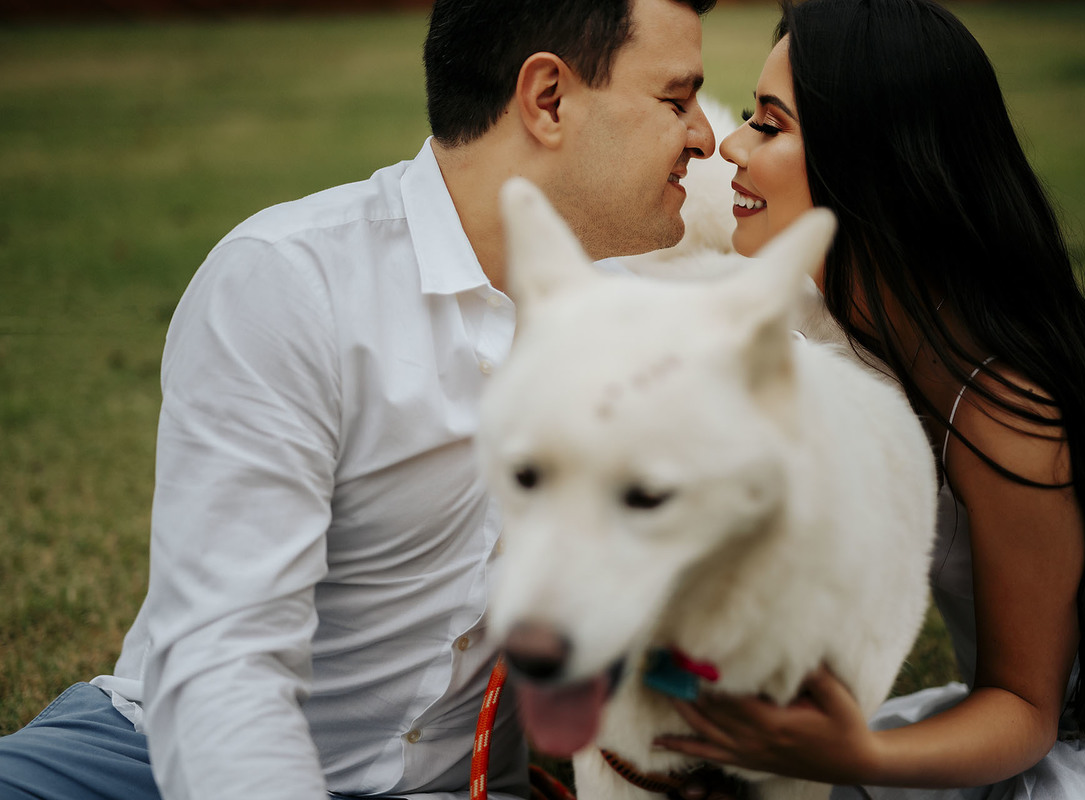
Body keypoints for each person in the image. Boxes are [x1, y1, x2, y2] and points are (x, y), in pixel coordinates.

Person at [0, 1, 715, 798]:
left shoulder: (650, 332)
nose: (704, 138)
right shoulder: (289, 284)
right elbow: (224, 661)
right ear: (546, 99)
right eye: (676, 101)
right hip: (157, 766)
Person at [655, 0, 1085, 797]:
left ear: (871, 165)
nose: (733, 145)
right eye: (748, 118)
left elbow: (1021, 706)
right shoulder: (831, 318)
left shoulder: (1007, 406)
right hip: (1016, 715)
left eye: (770, 125)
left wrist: (858, 759)